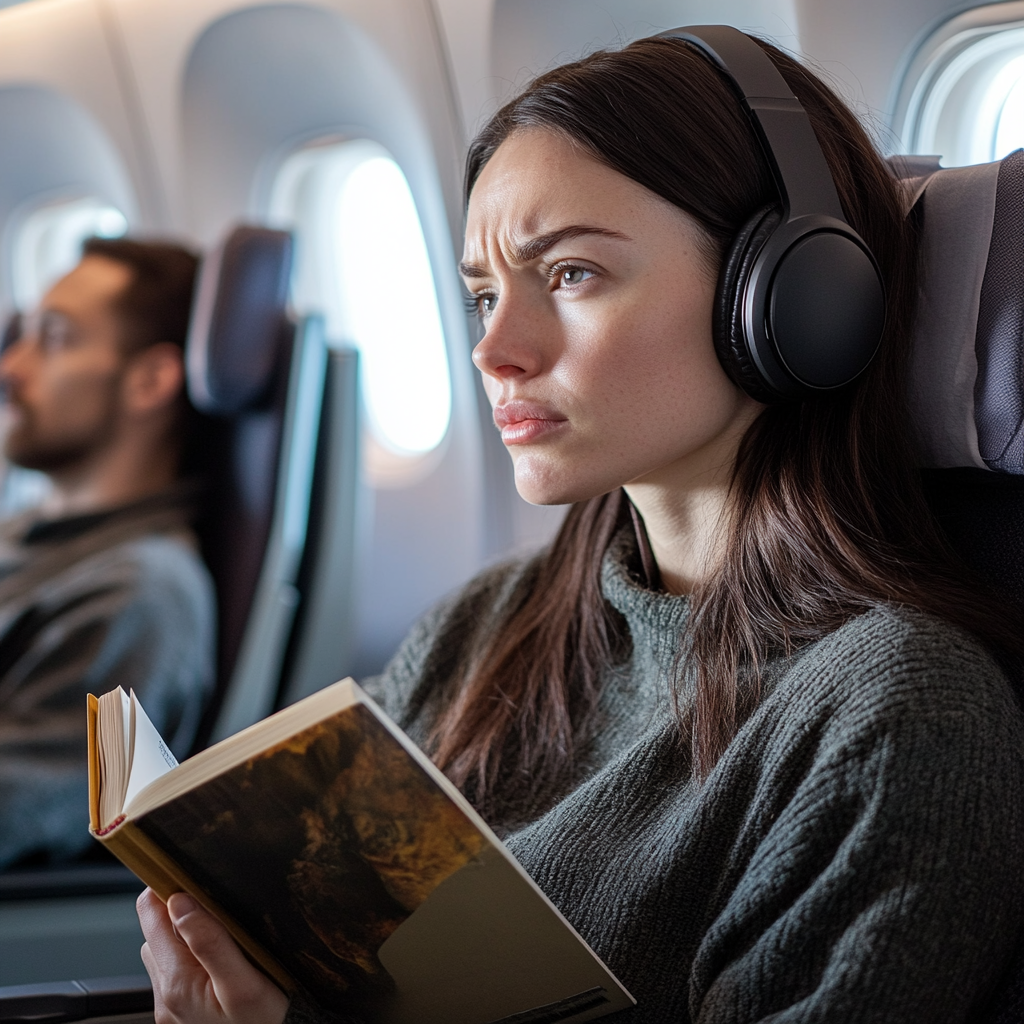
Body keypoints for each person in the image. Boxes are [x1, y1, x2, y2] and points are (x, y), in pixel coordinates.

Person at [136, 29, 1024, 1024]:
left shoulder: (895, 712)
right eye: (482, 293)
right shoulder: (485, 629)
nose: (494, 349)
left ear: (789, 298)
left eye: (569, 275)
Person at [0, 237, 216, 869]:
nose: (11, 367)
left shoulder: (139, 594)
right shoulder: (26, 533)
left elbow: (17, 807)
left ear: (150, 380)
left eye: (55, 338)